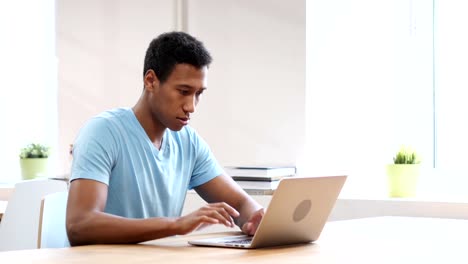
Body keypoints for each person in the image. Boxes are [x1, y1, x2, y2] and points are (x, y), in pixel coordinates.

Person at [66, 32, 264, 246]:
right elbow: (80, 225)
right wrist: (176, 224)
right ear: (150, 81)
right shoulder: (103, 132)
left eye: (198, 94)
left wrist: (257, 219)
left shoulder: (188, 142)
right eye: (183, 91)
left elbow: (240, 204)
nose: (191, 106)